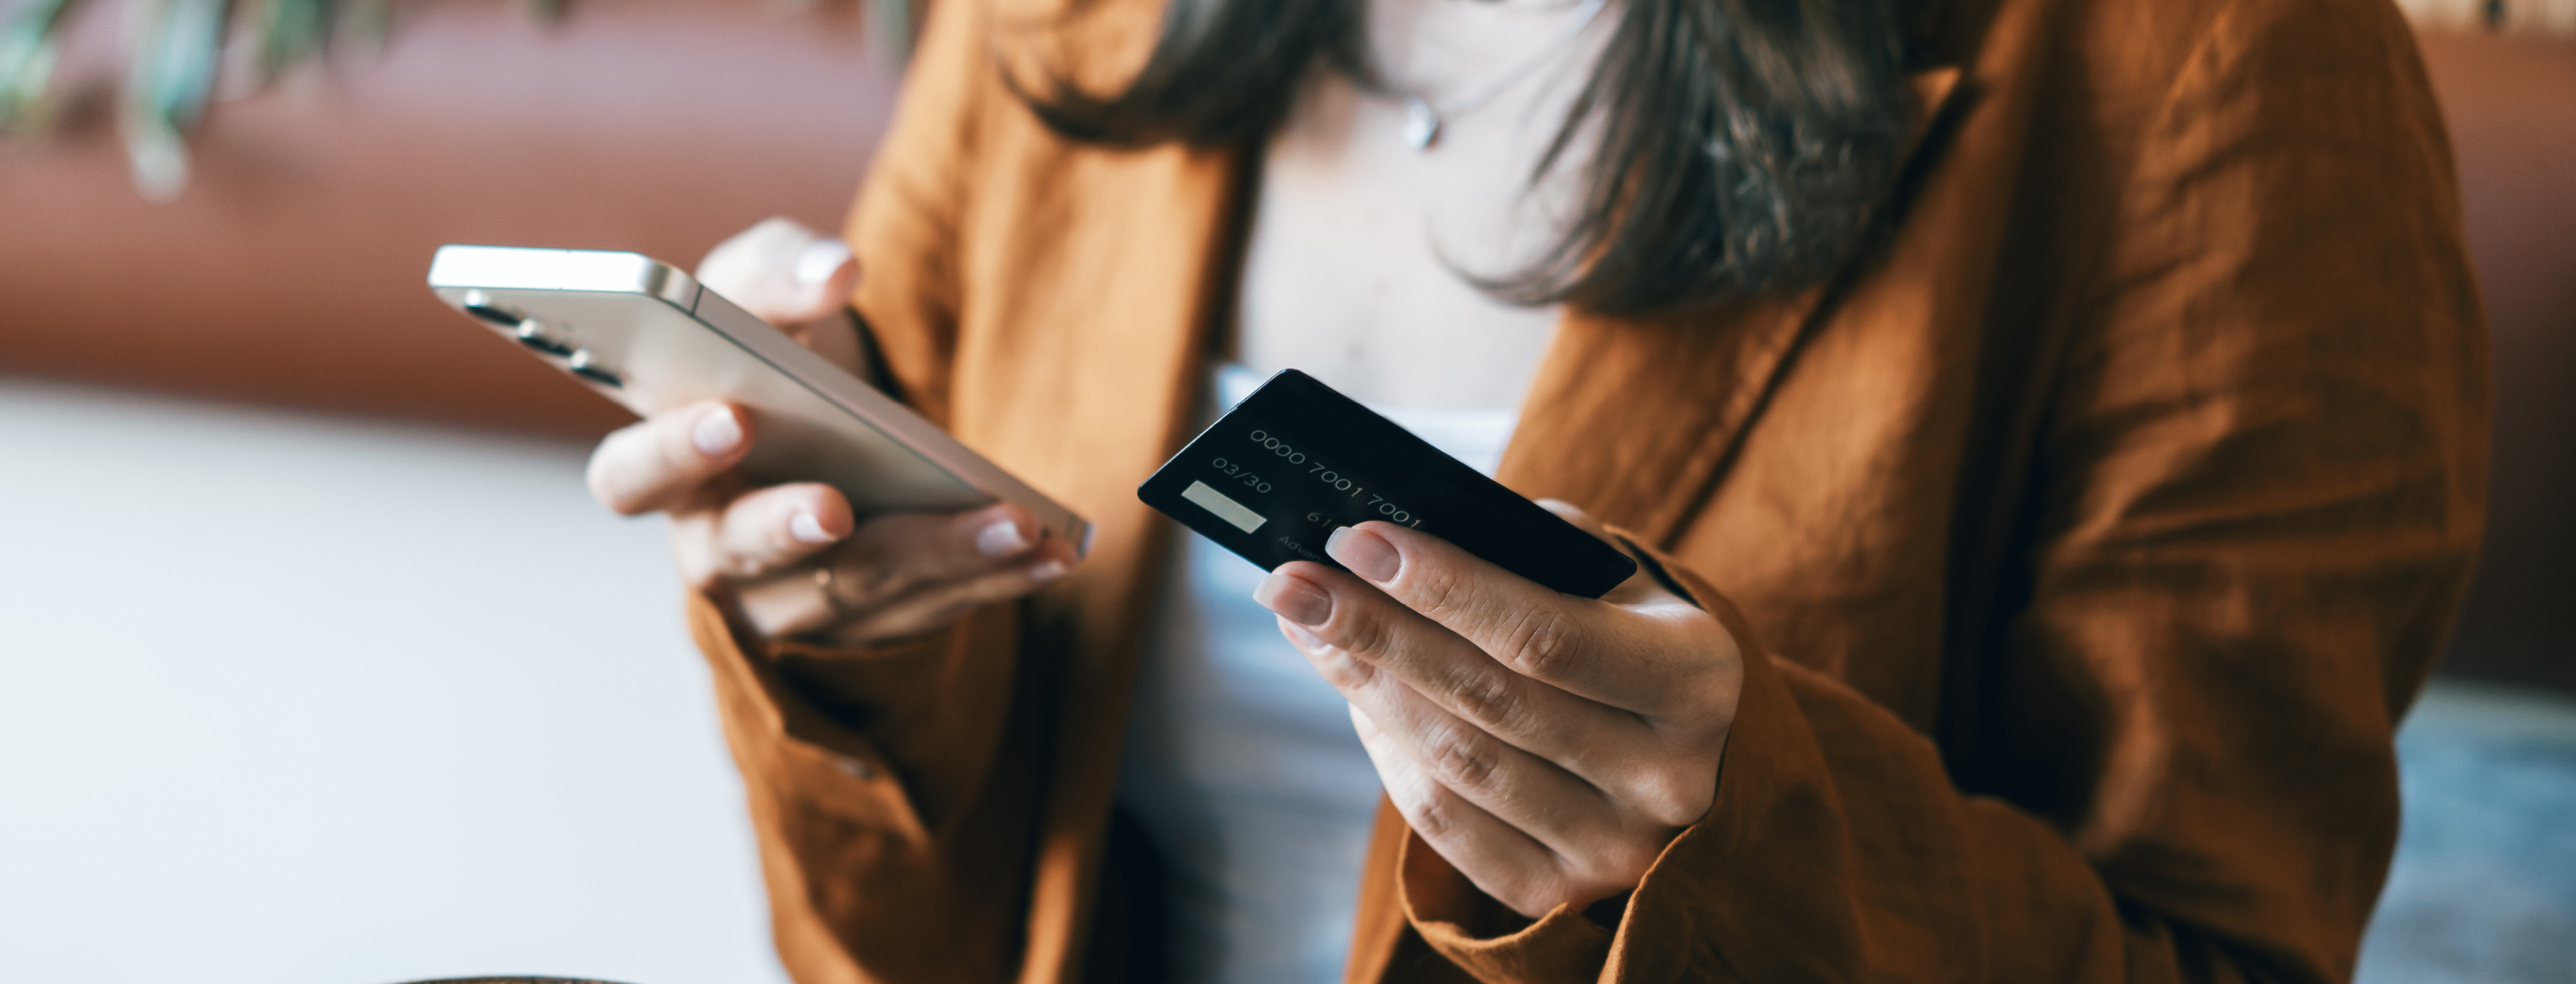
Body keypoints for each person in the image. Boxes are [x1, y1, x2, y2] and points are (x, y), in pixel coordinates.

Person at [586, 0, 2487, 979]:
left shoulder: (2214, 61)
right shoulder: (1064, 28)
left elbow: (2215, 956)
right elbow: (904, 947)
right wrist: (840, 640)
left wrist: (1724, 852)